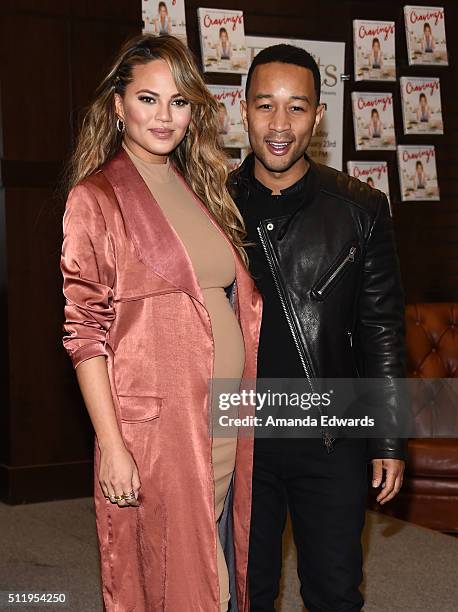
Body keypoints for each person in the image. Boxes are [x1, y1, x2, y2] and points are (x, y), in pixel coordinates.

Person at [60, 33, 261, 612]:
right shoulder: (96, 198)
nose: (164, 116)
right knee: (178, 582)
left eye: (179, 102)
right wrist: (113, 445)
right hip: (160, 430)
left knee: (214, 562)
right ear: (118, 105)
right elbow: (85, 332)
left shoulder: (201, 187)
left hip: (224, 416)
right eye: (149, 99)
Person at [230, 44, 407, 612]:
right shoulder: (213, 204)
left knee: (333, 591)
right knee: (243, 591)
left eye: (297, 108)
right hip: (238, 434)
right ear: (243, 108)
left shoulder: (361, 208)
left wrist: (387, 436)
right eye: (265, 106)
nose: (279, 125)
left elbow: (381, 328)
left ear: (319, 116)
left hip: (331, 432)